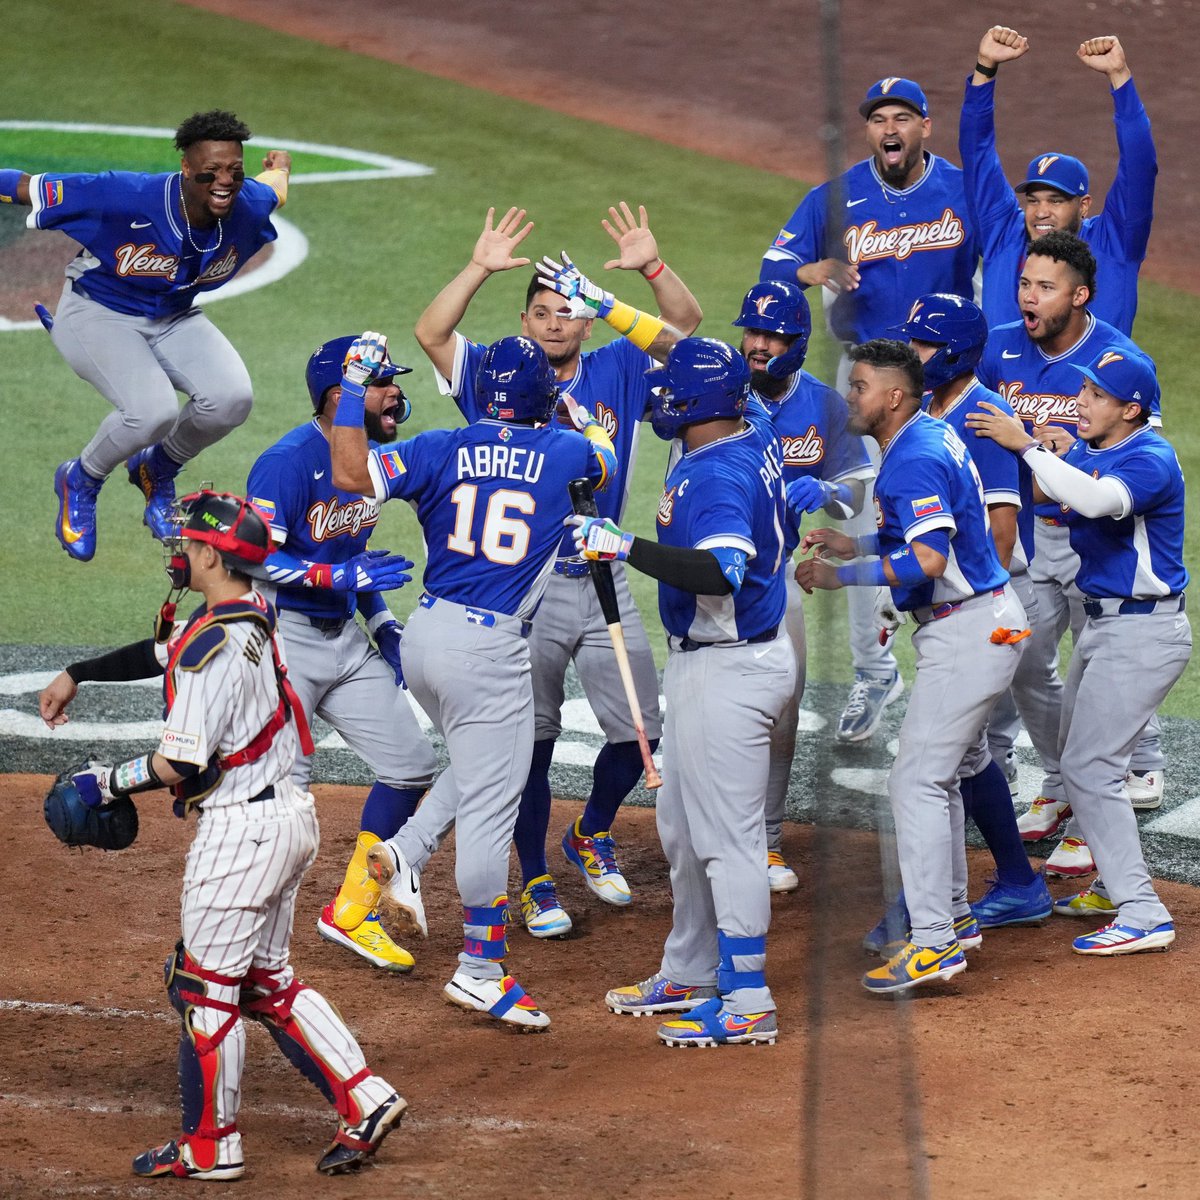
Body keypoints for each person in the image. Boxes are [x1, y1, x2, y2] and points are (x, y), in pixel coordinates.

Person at [37, 491, 404, 1180]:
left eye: (187, 544)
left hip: (241, 835)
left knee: (205, 992)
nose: (179, 553)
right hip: (288, 817)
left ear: (209, 553)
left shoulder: (211, 646)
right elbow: (161, 651)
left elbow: (182, 761)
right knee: (265, 982)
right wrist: (79, 673)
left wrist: (104, 784)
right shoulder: (254, 610)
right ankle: (366, 1098)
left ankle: (211, 1147)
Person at [413, 204, 701, 937]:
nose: (553, 325)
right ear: (524, 319)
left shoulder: (620, 364)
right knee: (530, 743)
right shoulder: (496, 374)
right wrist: (477, 265)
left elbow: (684, 331)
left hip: (604, 579)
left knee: (642, 732)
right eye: (541, 312)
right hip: (526, 595)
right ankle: (536, 877)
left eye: (568, 313)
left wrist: (649, 270)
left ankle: (590, 830)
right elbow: (432, 333)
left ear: (588, 324)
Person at [330, 333, 617, 1030]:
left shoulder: (437, 446)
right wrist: (586, 421)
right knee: (493, 805)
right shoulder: (568, 452)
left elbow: (348, 473)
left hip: (426, 637)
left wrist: (349, 389)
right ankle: (479, 971)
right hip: (488, 651)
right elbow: (605, 458)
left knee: (493, 762)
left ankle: (406, 850)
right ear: (542, 399)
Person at [578, 337, 794, 1047]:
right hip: (718, 663)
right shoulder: (749, 424)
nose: (661, 395)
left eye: (673, 387)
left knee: (729, 840)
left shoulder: (717, 478)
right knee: (679, 825)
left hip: (728, 670)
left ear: (700, 403)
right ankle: (693, 968)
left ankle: (748, 998)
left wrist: (623, 546)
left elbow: (722, 569)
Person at [795, 340, 1028, 994]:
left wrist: (844, 575)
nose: (851, 398)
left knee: (916, 783)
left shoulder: (913, 458)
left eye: (861, 387)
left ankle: (933, 945)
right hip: (986, 617)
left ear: (893, 396)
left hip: (969, 630)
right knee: (944, 776)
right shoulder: (926, 436)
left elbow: (926, 562)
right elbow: (932, 536)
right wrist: (855, 540)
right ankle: (952, 915)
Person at [761, 77, 980, 742]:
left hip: (947, 376)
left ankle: (965, 659)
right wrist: (814, 271)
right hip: (862, 372)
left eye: (903, 118)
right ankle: (875, 670)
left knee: (958, 511)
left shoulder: (965, 190)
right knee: (861, 512)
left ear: (925, 128)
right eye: (879, 118)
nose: (890, 128)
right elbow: (774, 269)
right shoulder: (839, 194)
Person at [967, 348, 1187, 954]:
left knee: (1089, 768)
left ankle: (1143, 912)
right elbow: (1058, 497)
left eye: (1095, 395)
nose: (1080, 401)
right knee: (1082, 759)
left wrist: (1028, 446)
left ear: (1131, 408)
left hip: (1143, 633)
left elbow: (1094, 502)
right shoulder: (1101, 451)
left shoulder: (1150, 458)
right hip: (1107, 628)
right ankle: (1117, 887)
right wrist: (1059, 453)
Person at [0, 110, 290, 562]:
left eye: (234, 170)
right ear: (186, 170)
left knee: (232, 398)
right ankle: (81, 477)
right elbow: (25, 187)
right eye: (210, 172)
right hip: (97, 313)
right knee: (151, 412)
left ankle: (157, 467)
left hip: (174, 316)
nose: (224, 182)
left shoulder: (247, 203)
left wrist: (280, 169)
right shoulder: (126, 196)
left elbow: (272, 189)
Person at [244, 335, 439, 973]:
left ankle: (352, 912)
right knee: (282, 800)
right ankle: (249, 938)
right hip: (283, 640)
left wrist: (384, 625)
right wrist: (334, 581)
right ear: (341, 396)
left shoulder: (367, 464)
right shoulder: (287, 462)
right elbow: (253, 558)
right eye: (384, 383)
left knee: (410, 766)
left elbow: (354, 562)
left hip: (343, 640)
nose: (397, 394)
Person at [974, 231, 1164, 877]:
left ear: (1079, 295)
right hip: (1028, 538)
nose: (1029, 296)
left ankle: (1088, 815)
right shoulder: (998, 346)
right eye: (1025, 283)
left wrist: (1048, 446)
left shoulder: (1119, 362)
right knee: (1025, 660)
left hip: (1097, 546)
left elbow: (1127, 464)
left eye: (1045, 286)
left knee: (1096, 683)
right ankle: (1059, 787)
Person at [886, 294, 1052, 933]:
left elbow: (1001, 538)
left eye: (922, 346)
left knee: (946, 757)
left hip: (992, 606)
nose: (911, 355)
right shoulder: (933, 409)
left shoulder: (982, 417)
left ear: (952, 351)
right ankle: (1012, 882)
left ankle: (932, 908)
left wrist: (938, 595)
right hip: (967, 605)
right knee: (969, 752)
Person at [732, 280, 873, 891]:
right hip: (702, 575)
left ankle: (764, 840)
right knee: (696, 707)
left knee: (783, 709)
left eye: (772, 336)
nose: (757, 346)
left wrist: (830, 492)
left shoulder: (822, 404)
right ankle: (699, 826)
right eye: (752, 332)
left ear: (798, 342)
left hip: (774, 575)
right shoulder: (718, 385)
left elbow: (858, 487)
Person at [961, 28, 1156, 335]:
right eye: (1034, 200)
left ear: (1084, 206)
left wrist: (1120, 77)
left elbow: (1140, 167)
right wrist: (985, 69)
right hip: (1004, 385)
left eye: (1056, 200)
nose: (1041, 212)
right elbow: (977, 154)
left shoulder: (1115, 242)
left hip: (1092, 385)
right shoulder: (1004, 236)